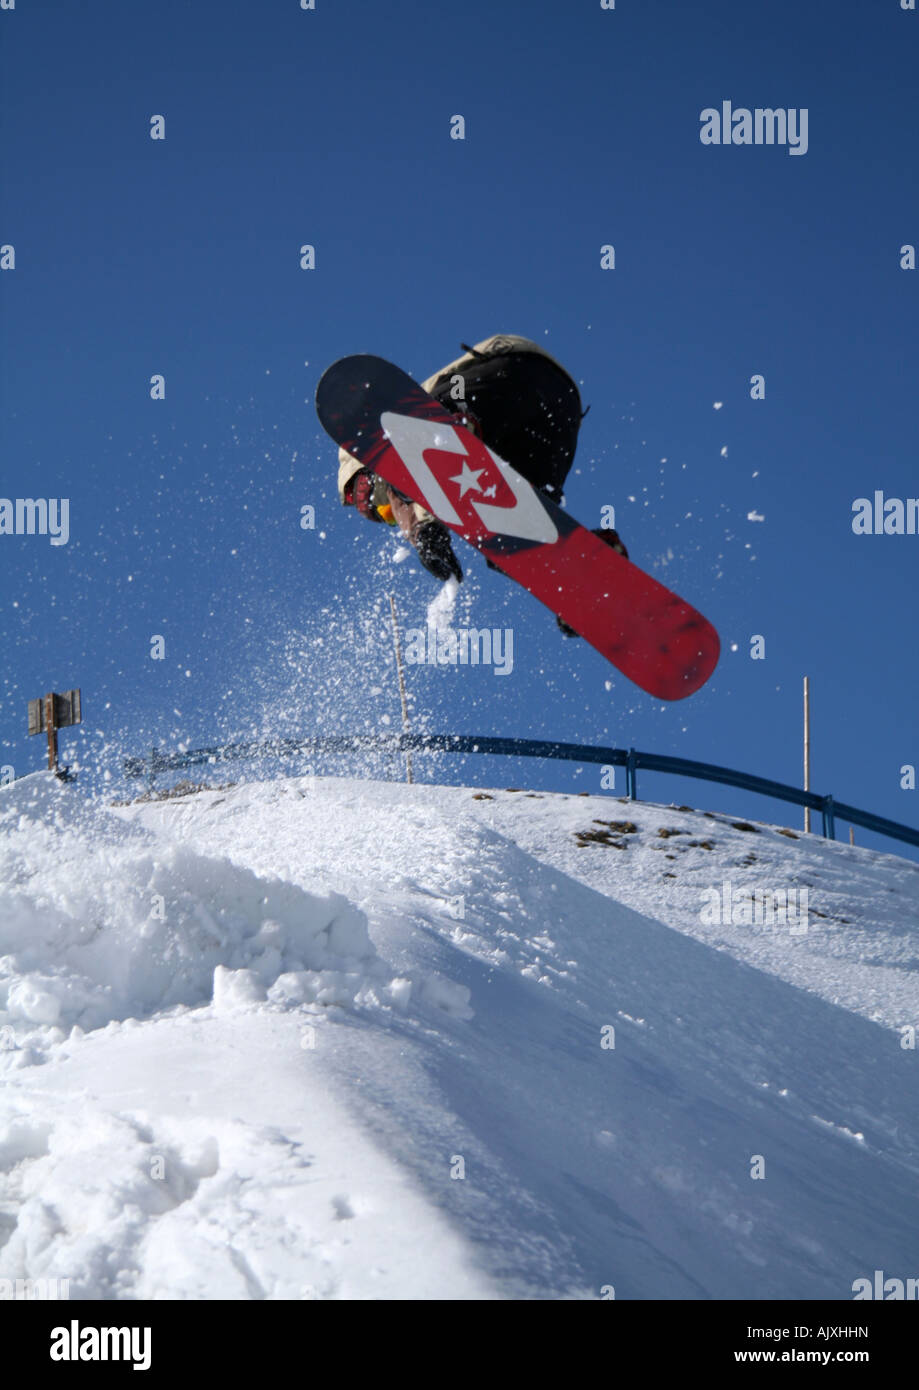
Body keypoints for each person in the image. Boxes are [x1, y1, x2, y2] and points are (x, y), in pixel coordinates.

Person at [337, 334, 628, 614]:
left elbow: (410, 469)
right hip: (559, 414)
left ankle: (461, 425)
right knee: (513, 540)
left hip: (514, 373)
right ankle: (582, 577)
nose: (394, 514)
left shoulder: (388, 438)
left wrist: (422, 530)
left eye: (387, 512)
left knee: (430, 443)